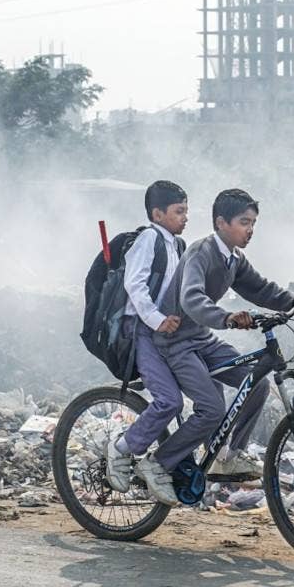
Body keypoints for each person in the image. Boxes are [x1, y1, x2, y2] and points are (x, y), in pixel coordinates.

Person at [150, 188, 294, 480]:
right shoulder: (200, 252)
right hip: (175, 342)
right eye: (244, 222)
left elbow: (260, 289)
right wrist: (227, 318)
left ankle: (228, 457)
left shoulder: (234, 259)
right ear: (220, 223)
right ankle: (157, 463)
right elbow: (191, 299)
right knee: (212, 408)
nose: (250, 229)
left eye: (253, 223)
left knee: (257, 383)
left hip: (201, 339)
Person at [105, 180, 188, 506]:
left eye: (186, 211)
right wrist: (156, 319)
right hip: (143, 332)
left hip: (169, 333)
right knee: (169, 401)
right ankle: (122, 449)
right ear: (158, 213)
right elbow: (135, 285)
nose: (185, 218)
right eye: (179, 211)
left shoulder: (177, 245)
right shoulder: (149, 239)